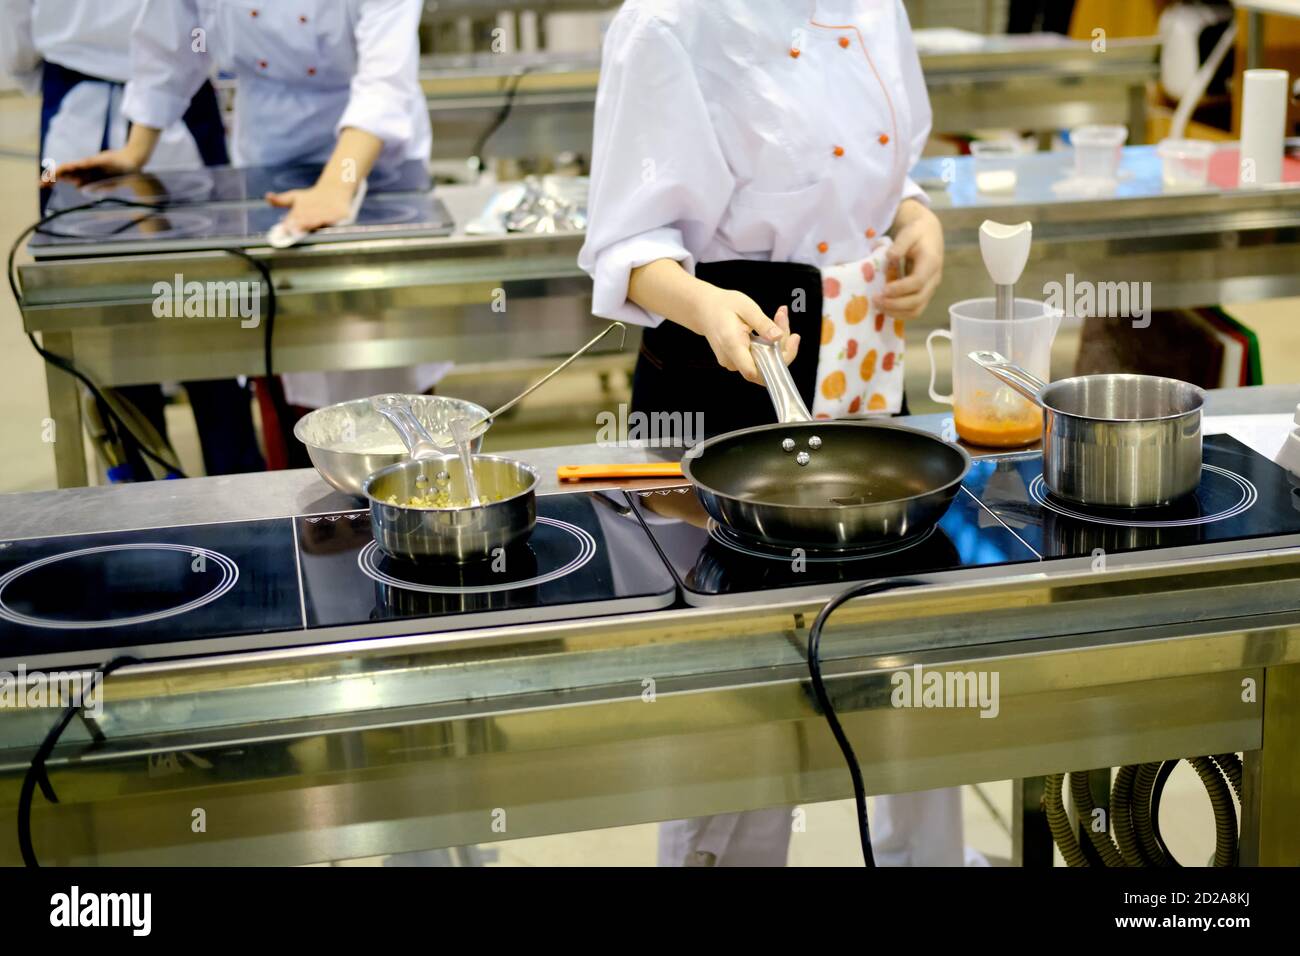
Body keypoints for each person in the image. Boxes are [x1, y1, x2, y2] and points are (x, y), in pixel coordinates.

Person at [579, 0, 964, 866]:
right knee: (740, 707)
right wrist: (706, 307)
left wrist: (917, 222)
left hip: (864, 371)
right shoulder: (667, 23)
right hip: (728, 380)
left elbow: (892, 172)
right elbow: (629, 243)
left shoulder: (875, 7)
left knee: (904, 658)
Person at [55, 0, 448, 411]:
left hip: (373, 157)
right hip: (268, 146)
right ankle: (294, 464)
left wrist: (336, 185)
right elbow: (171, 44)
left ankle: (404, 459)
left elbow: (384, 85)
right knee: (288, 330)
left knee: (380, 339)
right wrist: (135, 151)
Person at [2, 0, 264, 477]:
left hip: (84, 89)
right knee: (206, 301)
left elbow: (17, 35)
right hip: (170, 92)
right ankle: (233, 474)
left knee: (108, 311)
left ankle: (142, 484)